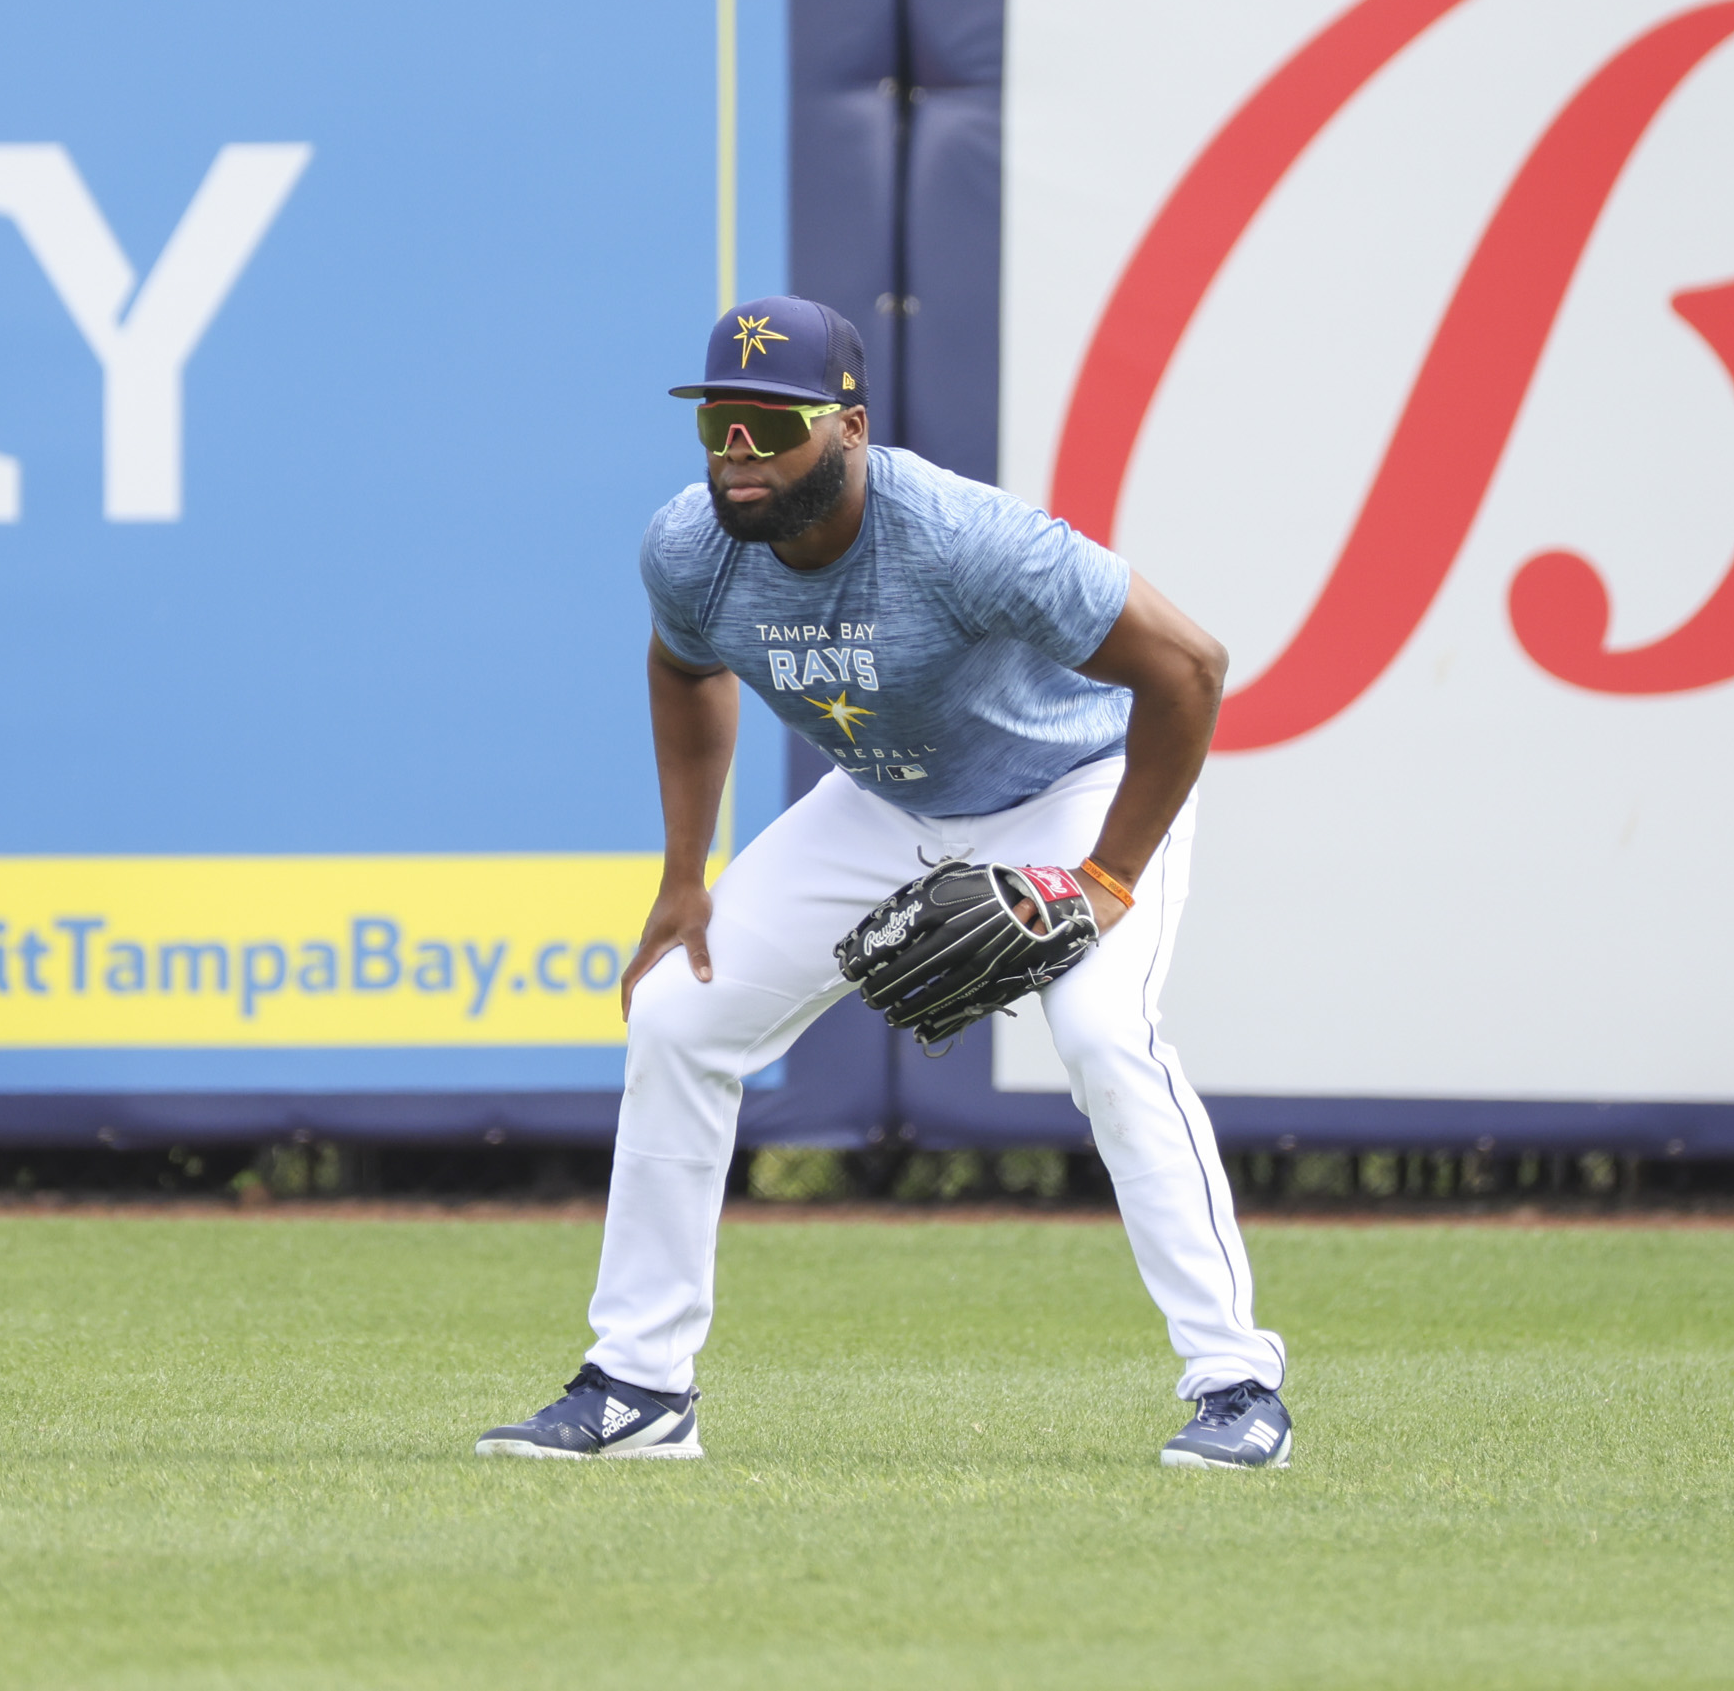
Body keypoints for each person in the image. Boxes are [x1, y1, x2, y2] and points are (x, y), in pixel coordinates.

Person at [476, 297, 1289, 1468]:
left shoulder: (965, 539)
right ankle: (642, 1387)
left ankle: (1237, 1387)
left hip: (1070, 791)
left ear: (849, 425)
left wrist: (1109, 875)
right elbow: (683, 667)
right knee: (677, 1012)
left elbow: (1192, 670)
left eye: (772, 422)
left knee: (1105, 1035)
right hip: (889, 800)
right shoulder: (689, 548)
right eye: (719, 425)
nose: (739, 453)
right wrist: (683, 874)